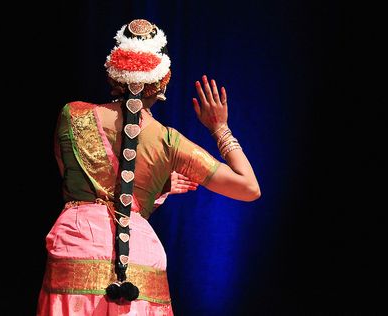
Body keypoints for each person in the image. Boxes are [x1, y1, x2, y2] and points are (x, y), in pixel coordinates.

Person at [36, 18, 261, 316]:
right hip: (140, 259)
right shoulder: (169, 142)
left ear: (112, 75)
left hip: (77, 245)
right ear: (163, 81)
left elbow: (75, 175)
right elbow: (248, 188)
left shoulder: (73, 115)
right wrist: (220, 129)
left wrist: (158, 184)